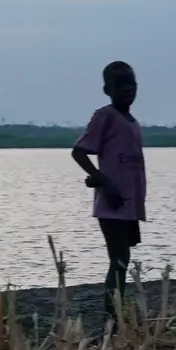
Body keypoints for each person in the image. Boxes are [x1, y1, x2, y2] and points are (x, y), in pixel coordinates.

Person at [71, 61, 146, 330]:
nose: (127, 90)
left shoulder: (132, 121)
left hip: (130, 203)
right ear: (107, 90)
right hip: (112, 203)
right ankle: (111, 320)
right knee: (118, 260)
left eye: (131, 85)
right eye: (120, 86)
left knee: (124, 259)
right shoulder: (105, 115)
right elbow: (79, 152)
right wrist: (103, 181)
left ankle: (117, 315)